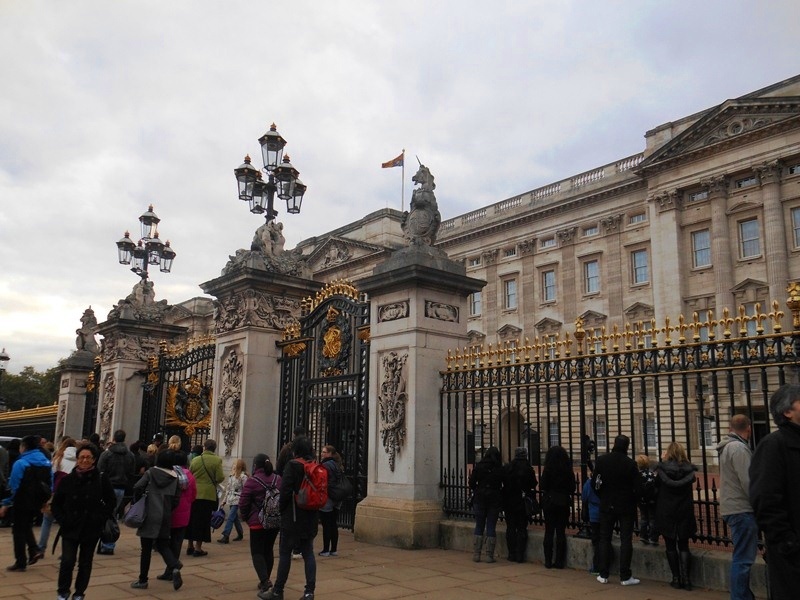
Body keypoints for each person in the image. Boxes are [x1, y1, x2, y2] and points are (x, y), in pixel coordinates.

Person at [750, 383, 800, 600]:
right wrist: (789, 544)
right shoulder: (773, 445)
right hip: (793, 557)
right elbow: (765, 500)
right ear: (787, 411)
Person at [51, 442, 116, 600]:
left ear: (94, 460)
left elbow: (111, 501)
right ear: (77, 459)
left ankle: (79, 593)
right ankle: (63, 591)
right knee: (67, 561)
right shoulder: (67, 480)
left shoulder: (101, 479)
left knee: (85, 563)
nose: (85, 460)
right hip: (70, 527)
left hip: (90, 528)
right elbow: (56, 504)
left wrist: (100, 518)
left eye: (88, 457)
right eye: (82, 457)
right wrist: (63, 520)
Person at [259, 436, 318, 600]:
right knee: (309, 553)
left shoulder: (293, 466)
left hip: (292, 517)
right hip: (311, 517)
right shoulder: (315, 466)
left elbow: (284, 493)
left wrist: (281, 509)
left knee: (285, 553)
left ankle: (278, 591)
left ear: (295, 450)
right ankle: (309, 592)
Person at [130, 449, 184, 591]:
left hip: (150, 514)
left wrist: (140, 499)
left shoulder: (150, 473)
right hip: (165, 515)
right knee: (163, 545)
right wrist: (168, 509)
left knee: (146, 549)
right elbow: (176, 500)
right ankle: (174, 565)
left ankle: (143, 580)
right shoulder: (175, 478)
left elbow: (137, 487)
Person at [717, 414, 757, 600]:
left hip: (733, 507)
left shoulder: (727, 447)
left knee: (741, 557)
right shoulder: (739, 448)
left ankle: (743, 595)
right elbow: (748, 482)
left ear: (729, 429)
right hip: (741, 508)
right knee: (743, 559)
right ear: (748, 428)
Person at [594, 434, 641, 586]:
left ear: (614, 444)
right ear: (627, 446)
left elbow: (596, 484)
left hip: (607, 505)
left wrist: (603, 496)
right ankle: (625, 576)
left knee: (604, 539)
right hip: (626, 506)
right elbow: (638, 488)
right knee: (626, 540)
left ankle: (603, 574)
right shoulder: (630, 464)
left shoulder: (602, 461)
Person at [0, 434, 51, 571]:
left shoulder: (21, 463)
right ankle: (34, 550)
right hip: (37, 501)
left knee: (18, 531)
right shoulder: (46, 462)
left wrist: (6, 503)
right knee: (26, 525)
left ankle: (20, 561)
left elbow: (13, 486)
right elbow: (49, 483)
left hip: (22, 500)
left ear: (24, 447)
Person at [655, 441, 698, 590]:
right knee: (684, 545)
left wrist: (662, 461)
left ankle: (676, 578)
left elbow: (655, 487)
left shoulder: (662, 471)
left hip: (667, 510)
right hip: (684, 509)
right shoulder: (689, 471)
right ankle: (686, 580)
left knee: (670, 545)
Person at [240, 453, 281, 594]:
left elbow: (244, 502)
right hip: (274, 520)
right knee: (268, 550)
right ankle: (266, 578)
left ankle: (264, 581)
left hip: (257, 520)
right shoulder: (278, 479)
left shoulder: (252, 481)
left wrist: (245, 517)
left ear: (255, 465)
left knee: (257, 552)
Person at [155, 450, 196, 582]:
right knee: (177, 543)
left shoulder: (169, 474)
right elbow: (193, 495)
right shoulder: (190, 475)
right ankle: (172, 569)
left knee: (161, 542)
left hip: (168, 512)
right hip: (184, 513)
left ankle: (171, 567)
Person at [97, 429, 135, 555]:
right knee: (112, 514)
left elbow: (100, 470)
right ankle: (106, 541)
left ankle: (107, 543)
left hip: (107, 487)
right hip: (121, 488)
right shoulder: (130, 455)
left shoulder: (107, 454)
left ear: (114, 438)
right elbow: (131, 471)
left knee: (107, 514)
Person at [39, 437, 77, 553]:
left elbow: (51, 477)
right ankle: (66, 550)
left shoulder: (58, 459)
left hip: (56, 493)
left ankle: (41, 547)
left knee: (47, 520)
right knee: (66, 522)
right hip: (71, 495)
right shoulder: (79, 459)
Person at [187, 438, 223, 557]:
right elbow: (220, 477)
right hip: (208, 495)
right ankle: (198, 547)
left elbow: (190, 474)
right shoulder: (217, 460)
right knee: (203, 521)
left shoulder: (196, 460)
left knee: (192, 519)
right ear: (214, 448)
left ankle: (190, 545)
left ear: (204, 447)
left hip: (194, 493)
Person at [467, 446, 503, 563]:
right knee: (491, 526)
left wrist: (478, 488)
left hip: (480, 497)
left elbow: (472, 482)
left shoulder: (480, 466)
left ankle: (476, 554)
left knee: (479, 525)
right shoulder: (498, 468)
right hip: (494, 498)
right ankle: (489, 555)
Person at [540, 445, 574, 569]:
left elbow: (543, 485)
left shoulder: (548, 469)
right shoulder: (567, 469)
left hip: (550, 502)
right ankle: (559, 561)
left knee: (549, 531)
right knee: (560, 532)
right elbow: (572, 488)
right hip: (563, 502)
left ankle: (548, 560)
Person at [501, 447, 537, 563]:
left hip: (509, 501)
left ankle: (511, 554)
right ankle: (520, 555)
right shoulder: (528, 468)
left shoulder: (508, 467)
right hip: (522, 502)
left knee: (510, 528)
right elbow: (533, 484)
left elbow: (503, 482)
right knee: (522, 528)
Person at [318, 445, 344, 557]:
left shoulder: (324, 465)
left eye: (324, 452)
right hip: (337, 497)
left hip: (328, 496)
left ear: (330, 454)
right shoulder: (338, 465)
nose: (322, 454)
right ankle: (334, 549)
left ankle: (325, 549)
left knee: (326, 524)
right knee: (334, 523)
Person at [218, 457, 247, 543]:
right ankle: (240, 533)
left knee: (230, 517)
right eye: (233, 465)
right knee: (235, 518)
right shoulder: (231, 476)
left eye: (235, 465)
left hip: (238, 498)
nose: (233, 466)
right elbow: (228, 489)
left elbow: (245, 489)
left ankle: (226, 535)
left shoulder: (243, 477)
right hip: (231, 498)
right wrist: (224, 500)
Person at [581, 469, 602, 575]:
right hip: (604, 513)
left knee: (596, 540)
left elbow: (584, 498)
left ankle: (597, 566)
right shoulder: (604, 482)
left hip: (593, 515)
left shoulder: (589, 484)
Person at [635, 454, 658, 545]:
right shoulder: (652, 474)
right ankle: (653, 537)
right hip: (651, 500)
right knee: (652, 519)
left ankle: (643, 536)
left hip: (641, 500)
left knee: (644, 518)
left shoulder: (637, 475)